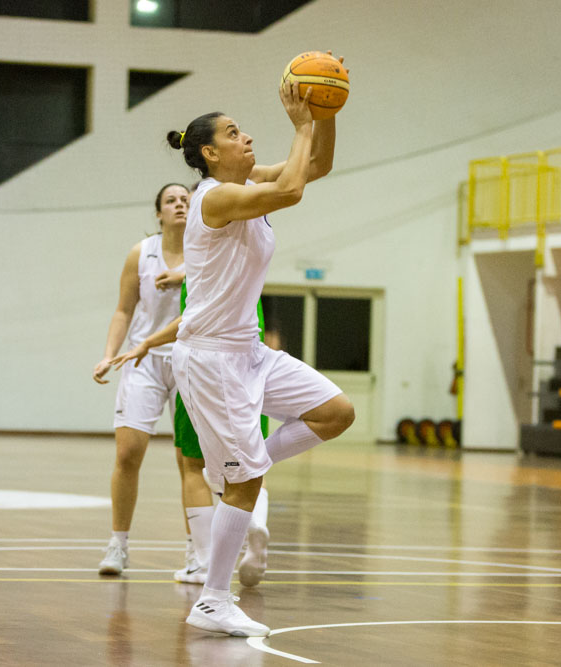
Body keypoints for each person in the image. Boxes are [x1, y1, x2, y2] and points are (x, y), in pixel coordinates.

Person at [163, 70, 354, 637]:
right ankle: (212, 600)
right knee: (245, 483)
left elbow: (314, 169)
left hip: (248, 349)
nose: (246, 138)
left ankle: (246, 462)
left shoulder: (245, 187)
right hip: (211, 357)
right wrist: (300, 124)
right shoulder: (216, 197)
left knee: (335, 413)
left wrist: (327, 111)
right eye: (234, 132)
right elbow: (293, 189)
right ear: (209, 153)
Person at [92, 184, 216, 578]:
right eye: (171, 201)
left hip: (187, 359)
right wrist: (109, 353)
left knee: (190, 461)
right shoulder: (141, 253)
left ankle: (197, 552)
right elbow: (123, 309)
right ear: (158, 213)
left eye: (185, 199)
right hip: (143, 359)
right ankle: (118, 545)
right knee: (128, 453)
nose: (180, 204)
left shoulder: (208, 247)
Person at [113, 287, 273, 588]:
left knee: (193, 466)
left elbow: (189, 319)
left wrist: (147, 342)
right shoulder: (250, 267)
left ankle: (202, 564)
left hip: (205, 370)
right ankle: (256, 522)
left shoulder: (201, 267)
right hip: (252, 372)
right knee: (253, 464)